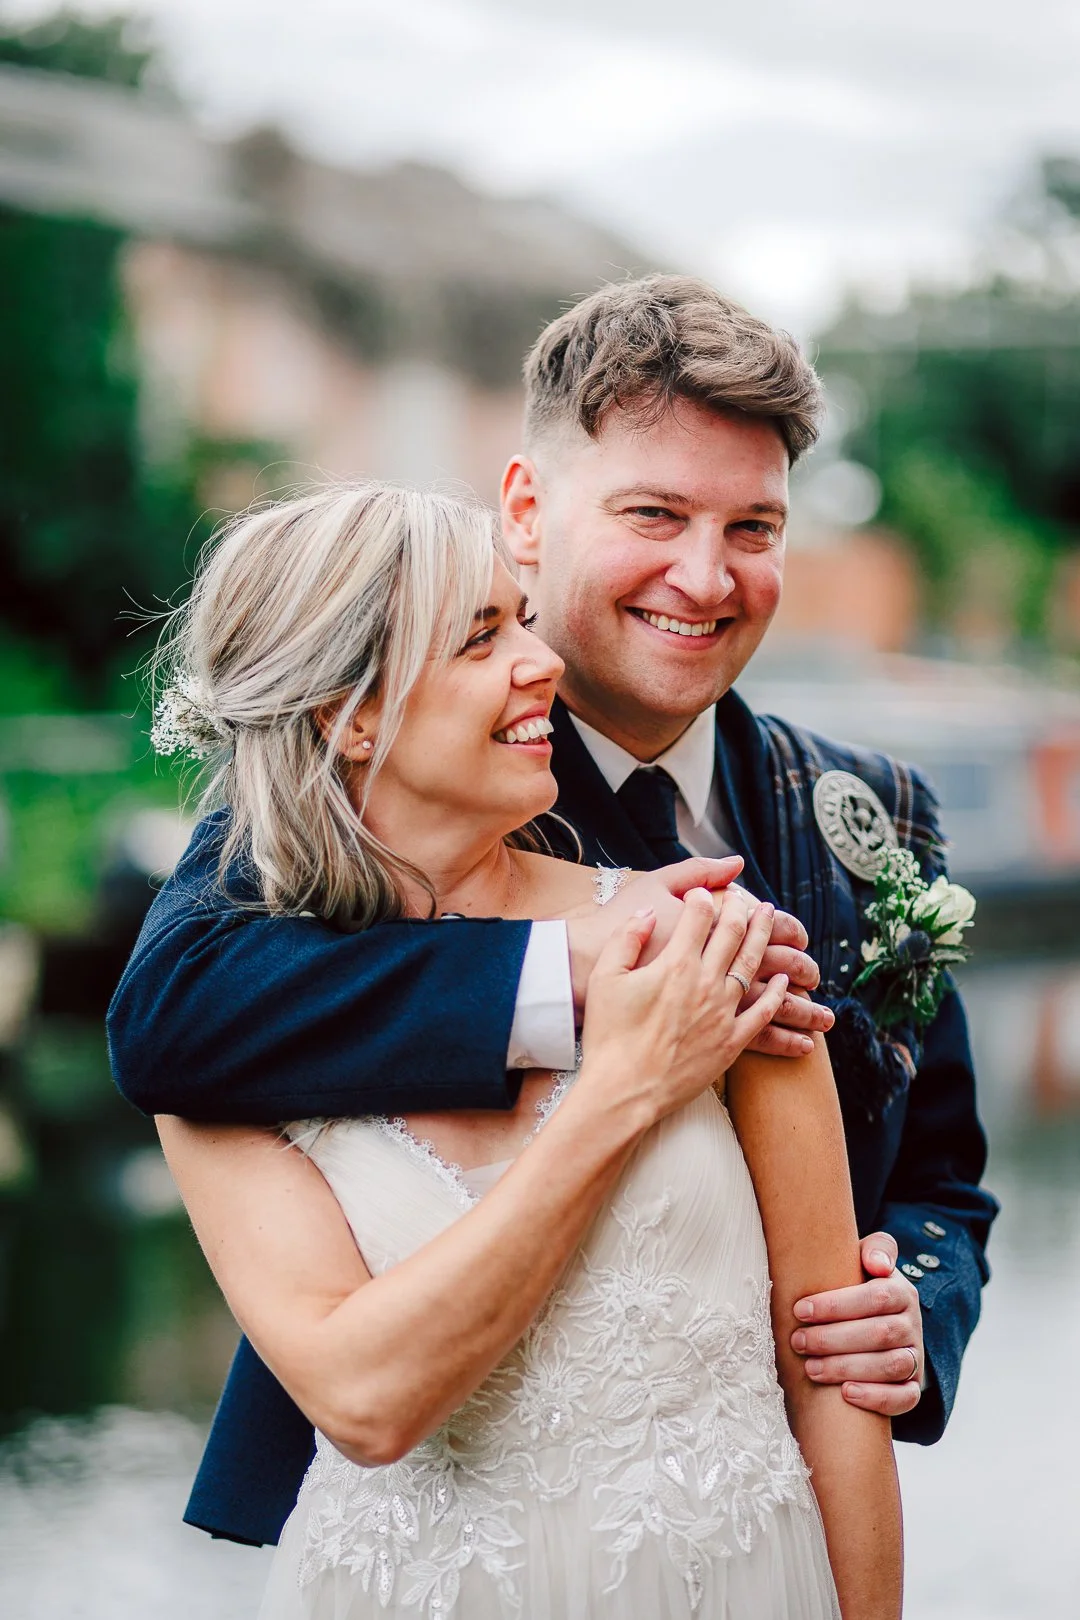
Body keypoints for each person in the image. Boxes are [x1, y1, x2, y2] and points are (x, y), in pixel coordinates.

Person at [107, 275, 997, 1552]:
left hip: (756, 1501)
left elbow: (939, 1166)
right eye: (654, 513)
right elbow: (173, 1011)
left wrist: (915, 1297)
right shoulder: (414, 774)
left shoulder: (871, 808)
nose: (707, 574)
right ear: (526, 507)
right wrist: (574, 962)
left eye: (755, 527)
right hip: (464, 1491)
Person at [153, 482, 902, 1618]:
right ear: (349, 716)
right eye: (479, 637)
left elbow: (831, 1380)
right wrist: (625, 1092)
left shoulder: (705, 940)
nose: (540, 662)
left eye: (522, 619)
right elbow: (367, 1398)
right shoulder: (215, 1037)